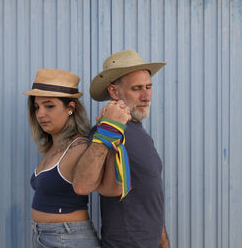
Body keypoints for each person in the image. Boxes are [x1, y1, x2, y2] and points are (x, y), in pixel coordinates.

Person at [73, 50, 170, 248]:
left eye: (148, 87)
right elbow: (82, 185)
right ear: (114, 92)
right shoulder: (104, 134)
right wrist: (107, 131)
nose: (146, 96)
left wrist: (164, 244)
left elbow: (151, 198)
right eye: (136, 88)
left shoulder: (142, 135)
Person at [23, 69, 101, 248]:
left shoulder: (79, 146)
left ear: (70, 108)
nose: (41, 113)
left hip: (68, 237)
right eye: (37, 107)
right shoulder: (53, 147)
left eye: (49, 106)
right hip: (43, 235)